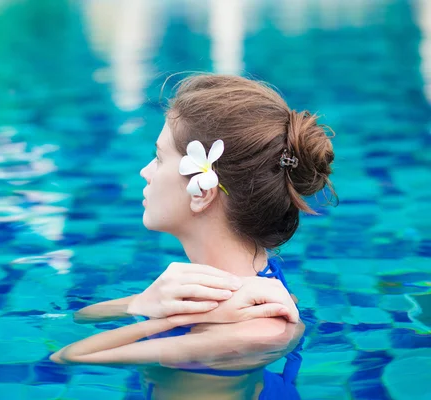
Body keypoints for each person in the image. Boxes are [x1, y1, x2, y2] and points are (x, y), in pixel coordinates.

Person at [51, 74, 336, 400]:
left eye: (159, 158)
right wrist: (146, 303)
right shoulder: (257, 274)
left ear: (202, 191)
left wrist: (161, 314)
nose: (146, 171)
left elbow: (70, 356)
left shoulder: (240, 336)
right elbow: (82, 316)